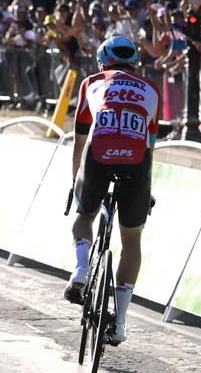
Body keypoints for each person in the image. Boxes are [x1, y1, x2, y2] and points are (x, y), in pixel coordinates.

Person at [63, 35, 165, 343]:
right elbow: (150, 145)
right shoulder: (152, 89)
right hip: (138, 161)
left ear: (102, 62)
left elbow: (79, 140)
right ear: (135, 64)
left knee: (85, 215)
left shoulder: (92, 82)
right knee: (131, 240)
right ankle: (119, 323)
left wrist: (75, 183)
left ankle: (80, 270)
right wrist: (147, 190)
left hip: (99, 152)